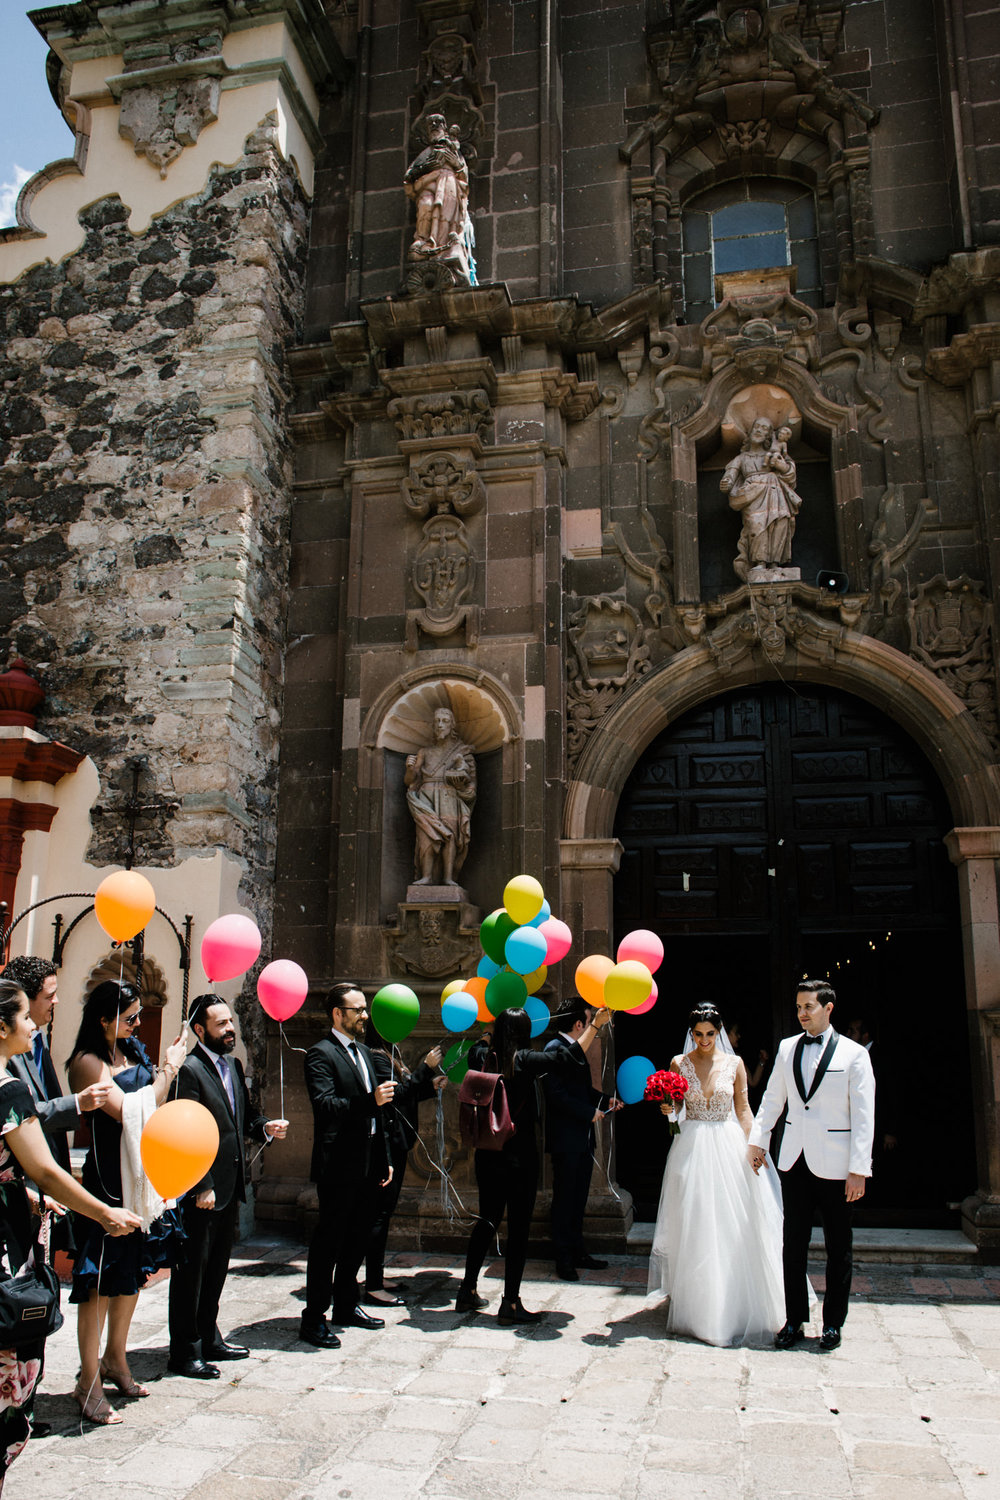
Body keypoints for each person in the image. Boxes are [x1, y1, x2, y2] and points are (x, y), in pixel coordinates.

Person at [0, 978, 139, 1485]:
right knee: (12, 1343)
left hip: (19, 1204)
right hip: (8, 1236)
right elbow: (46, 1169)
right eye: (25, 1016)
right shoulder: (8, 1087)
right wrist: (103, 1212)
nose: (35, 1024)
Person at [66, 981, 187, 1423]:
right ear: (103, 1018)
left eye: (140, 1016)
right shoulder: (87, 1062)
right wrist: (169, 1069)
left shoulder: (131, 1052)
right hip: (107, 1183)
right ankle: (87, 1379)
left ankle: (116, 1356)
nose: (138, 1025)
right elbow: (133, 1110)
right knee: (97, 1283)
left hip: (140, 1179)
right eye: (130, 1017)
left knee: (130, 1274)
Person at [456, 1004, 612, 1325]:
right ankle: (510, 1303)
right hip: (519, 1156)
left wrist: (490, 1032)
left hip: (487, 1152)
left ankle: (467, 1290)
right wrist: (595, 1025)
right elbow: (566, 1058)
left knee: (487, 1219)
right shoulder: (525, 1060)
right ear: (526, 1033)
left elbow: (481, 1041)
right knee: (519, 1228)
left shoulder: (480, 1055)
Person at [747, 979, 876, 1353]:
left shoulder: (854, 1055)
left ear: (828, 1008)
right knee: (793, 1244)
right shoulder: (787, 1048)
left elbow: (864, 1116)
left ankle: (833, 1323)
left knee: (839, 1247)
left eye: (809, 1007)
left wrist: (859, 1169)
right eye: (799, 1007)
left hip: (837, 1167)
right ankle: (794, 1319)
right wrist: (758, 1140)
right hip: (794, 1160)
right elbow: (773, 1098)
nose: (802, 1013)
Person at [648, 1003, 785, 1346]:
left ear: (719, 1031)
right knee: (695, 1224)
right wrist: (668, 1108)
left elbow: (743, 1109)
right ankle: (698, 1308)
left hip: (728, 1146)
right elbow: (676, 1111)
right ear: (691, 1034)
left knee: (731, 1224)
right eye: (698, 1034)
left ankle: (732, 1304)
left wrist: (756, 1146)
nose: (705, 1040)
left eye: (710, 1034)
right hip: (691, 1148)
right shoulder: (679, 1064)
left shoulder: (736, 1064)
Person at [167, 995, 287, 1378]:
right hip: (202, 1191)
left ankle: (209, 1336)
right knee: (191, 1273)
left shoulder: (233, 1066)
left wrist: (264, 1126)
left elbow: (244, 1118)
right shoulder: (189, 1070)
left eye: (231, 1021)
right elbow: (182, 1131)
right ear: (199, 1030)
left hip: (230, 1185)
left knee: (217, 1268)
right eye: (221, 1024)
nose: (231, 1028)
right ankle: (185, 1351)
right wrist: (200, 1184)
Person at [300, 983, 395, 1349]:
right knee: (330, 1242)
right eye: (358, 1010)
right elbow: (326, 1106)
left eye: (365, 1009)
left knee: (360, 1236)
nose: (365, 1016)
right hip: (339, 1163)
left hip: (370, 1160)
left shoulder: (365, 1053)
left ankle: (346, 1305)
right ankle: (314, 1318)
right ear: (338, 1014)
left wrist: (384, 1156)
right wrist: (368, 1100)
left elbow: (379, 1113)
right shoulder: (319, 1054)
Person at [363, 1030, 444, 1307]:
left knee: (382, 1213)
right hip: (386, 1145)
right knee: (378, 1214)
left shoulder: (389, 1054)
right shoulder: (377, 1057)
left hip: (396, 1143)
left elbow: (407, 1093)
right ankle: (373, 1285)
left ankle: (376, 1276)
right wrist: (426, 1067)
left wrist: (429, 1086)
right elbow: (397, 1095)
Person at [542, 1000, 621, 1281]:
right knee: (564, 1198)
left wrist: (605, 1099)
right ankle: (563, 1258)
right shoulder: (554, 1050)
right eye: (589, 1022)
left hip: (582, 1138)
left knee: (578, 1198)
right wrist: (589, 1113)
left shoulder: (576, 1050)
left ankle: (578, 1251)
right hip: (566, 1138)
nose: (590, 1027)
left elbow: (582, 1090)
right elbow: (557, 1094)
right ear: (579, 1024)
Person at [720, 415, 803, 580]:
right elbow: (731, 474)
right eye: (756, 426)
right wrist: (726, 482)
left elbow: (790, 474)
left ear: (769, 436)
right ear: (750, 432)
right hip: (752, 495)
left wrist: (781, 466)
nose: (759, 430)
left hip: (776, 492)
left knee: (779, 524)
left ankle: (774, 564)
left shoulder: (775, 453)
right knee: (757, 526)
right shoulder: (742, 458)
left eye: (764, 428)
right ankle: (760, 562)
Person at [405, 706, 477, 887]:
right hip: (426, 796)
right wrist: (409, 768)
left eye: (444, 721)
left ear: (452, 726)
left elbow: (471, 783)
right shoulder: (424, 752)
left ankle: (448, 878)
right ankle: (427, 876)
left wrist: (462, 782)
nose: (440, 725)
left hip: (449, 796)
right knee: (425, 837)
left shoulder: (462, 751)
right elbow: (410, 781)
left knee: (450, 836)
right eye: (437, 721)